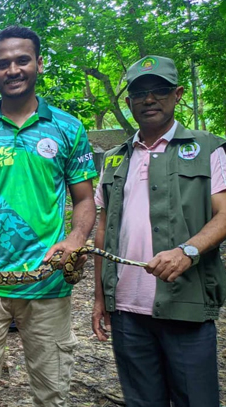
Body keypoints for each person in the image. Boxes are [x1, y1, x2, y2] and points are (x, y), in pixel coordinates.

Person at [0, 26, 97, 406]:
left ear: (39, 64)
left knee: (52, 393)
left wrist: (75, 240)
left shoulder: (67, 127)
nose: (13, 69)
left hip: (47, 283)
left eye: (22, 60)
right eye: (3, 64)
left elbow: (83, 199)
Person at [92, 55, 226, 407]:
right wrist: (99, 296)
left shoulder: (207, 148)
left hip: (186, 305)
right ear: (129, 101)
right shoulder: (115, 158)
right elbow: (103, 226)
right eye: (140, 93)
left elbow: (224, 214)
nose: (149, 99)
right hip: (126, 311)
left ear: (178, 94)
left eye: (160, 90)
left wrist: (188, 251)